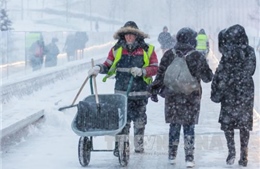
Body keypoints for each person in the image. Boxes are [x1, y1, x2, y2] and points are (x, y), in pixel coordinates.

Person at [87, 21, 158, 155]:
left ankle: (139, 145)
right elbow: (108, 64)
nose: (129, 38)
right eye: (126, 35)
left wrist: (142, 71)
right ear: (123, 36)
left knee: (139, 121)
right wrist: (98, 68)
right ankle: (120, 148)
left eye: (132, 35)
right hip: (121, 93)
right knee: (122, 123)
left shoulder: (148, 49)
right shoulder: (116, 49)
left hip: (140, 92)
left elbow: (155, 68)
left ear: (137, 36)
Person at [148, 27, 213, 168]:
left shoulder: (169, 55)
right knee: (189, 127)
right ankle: (189, 158)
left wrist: (153, 90)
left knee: (174, 125)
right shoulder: (197, 56)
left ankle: (172, 155)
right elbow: (208, 78)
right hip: (191, 97)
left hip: (173, 97)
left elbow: (160, 76)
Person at [211, 24, 256, 167]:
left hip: (229, 91)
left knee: (228, 123)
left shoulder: (228, 52)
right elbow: (250, 70)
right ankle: (243, 153)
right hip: (245, 92)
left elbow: (222, 70)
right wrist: (237, 76)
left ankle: (232, 152)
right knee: (244, 124)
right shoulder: (249, 51)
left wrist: (223, 82)